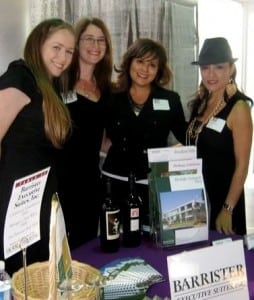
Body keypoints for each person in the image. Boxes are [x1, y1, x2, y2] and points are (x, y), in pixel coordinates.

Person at [0, 18, 75, 275]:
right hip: (14, 204)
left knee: (39, 275)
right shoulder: (21, 77)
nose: (63, 57)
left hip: (37, 200)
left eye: (69, 52)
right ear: (38, 43)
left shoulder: (46, 85)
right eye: (57, 47)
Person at [101, 38, 187, 232]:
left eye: (152, 65)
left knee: (149, 241)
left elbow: (187, 138)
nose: (145, 69)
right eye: (140, 61)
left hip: (151, 184)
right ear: (129, 62)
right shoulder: (111, 95)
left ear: (159, 70)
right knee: (114, 239)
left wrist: (164, 156)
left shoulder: (170, 99)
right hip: (113, 182)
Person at [186, 37, 253, 235]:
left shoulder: (239, 107)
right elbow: (193, 142)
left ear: (231, 69)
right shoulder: (201, 101)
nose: (211, 74)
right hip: (196, 201)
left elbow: (243, 164)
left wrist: (228, 208)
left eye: (219, 67)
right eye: (205, 68)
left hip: (224, 201)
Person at [57, 17, 113, 249]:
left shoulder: (107, 88)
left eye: (101, 40)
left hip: (91, 180)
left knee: (87, 245)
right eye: (89, 38)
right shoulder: (59, 82)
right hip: (61, 179)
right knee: (60, 247)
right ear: (77, 42)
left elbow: (105, 137)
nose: (95, 45)